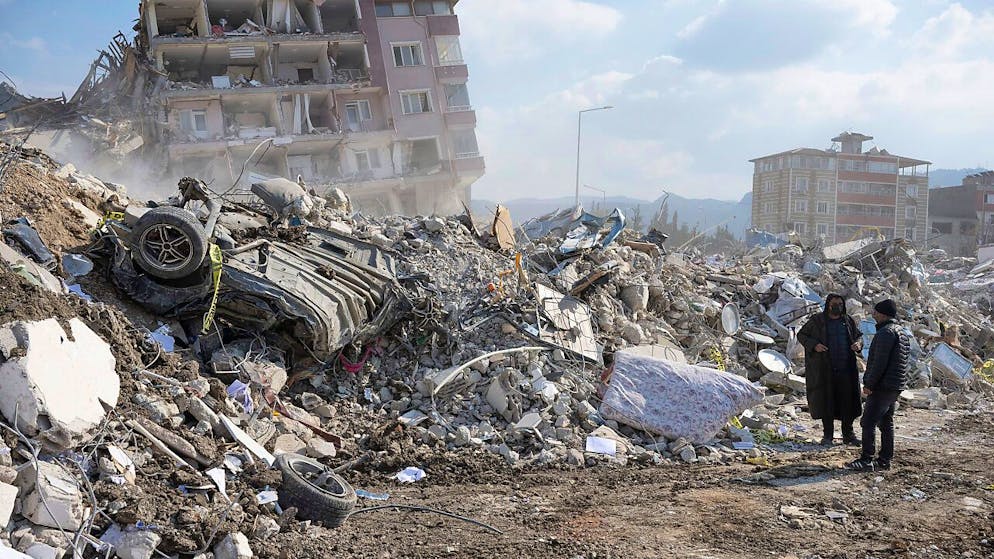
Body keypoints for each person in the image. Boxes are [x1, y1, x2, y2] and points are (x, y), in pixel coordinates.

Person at [846, 299, 910, 472]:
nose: (873, 315)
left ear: (882, 314)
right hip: (895, 386)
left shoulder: (885, 333)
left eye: (875, 312)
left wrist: (869, 384)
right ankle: (884, 460)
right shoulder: (901, 332)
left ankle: (866, 459)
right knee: (886, 421)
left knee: (868, 422)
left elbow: (879, 363)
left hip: (883, 386)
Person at [797, 294, 863, 446]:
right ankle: (828, 435)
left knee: (847, 402)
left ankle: (848, 434)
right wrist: (815, 345)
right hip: (825, 370)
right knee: (827, 402)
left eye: (840, 304)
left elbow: (859, 337)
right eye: (835, 304)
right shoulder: (818, 320)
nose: (838, 307)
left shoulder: (847, 321)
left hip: (846, 369)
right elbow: (802, 335)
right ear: (828, 305)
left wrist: (858, 345)